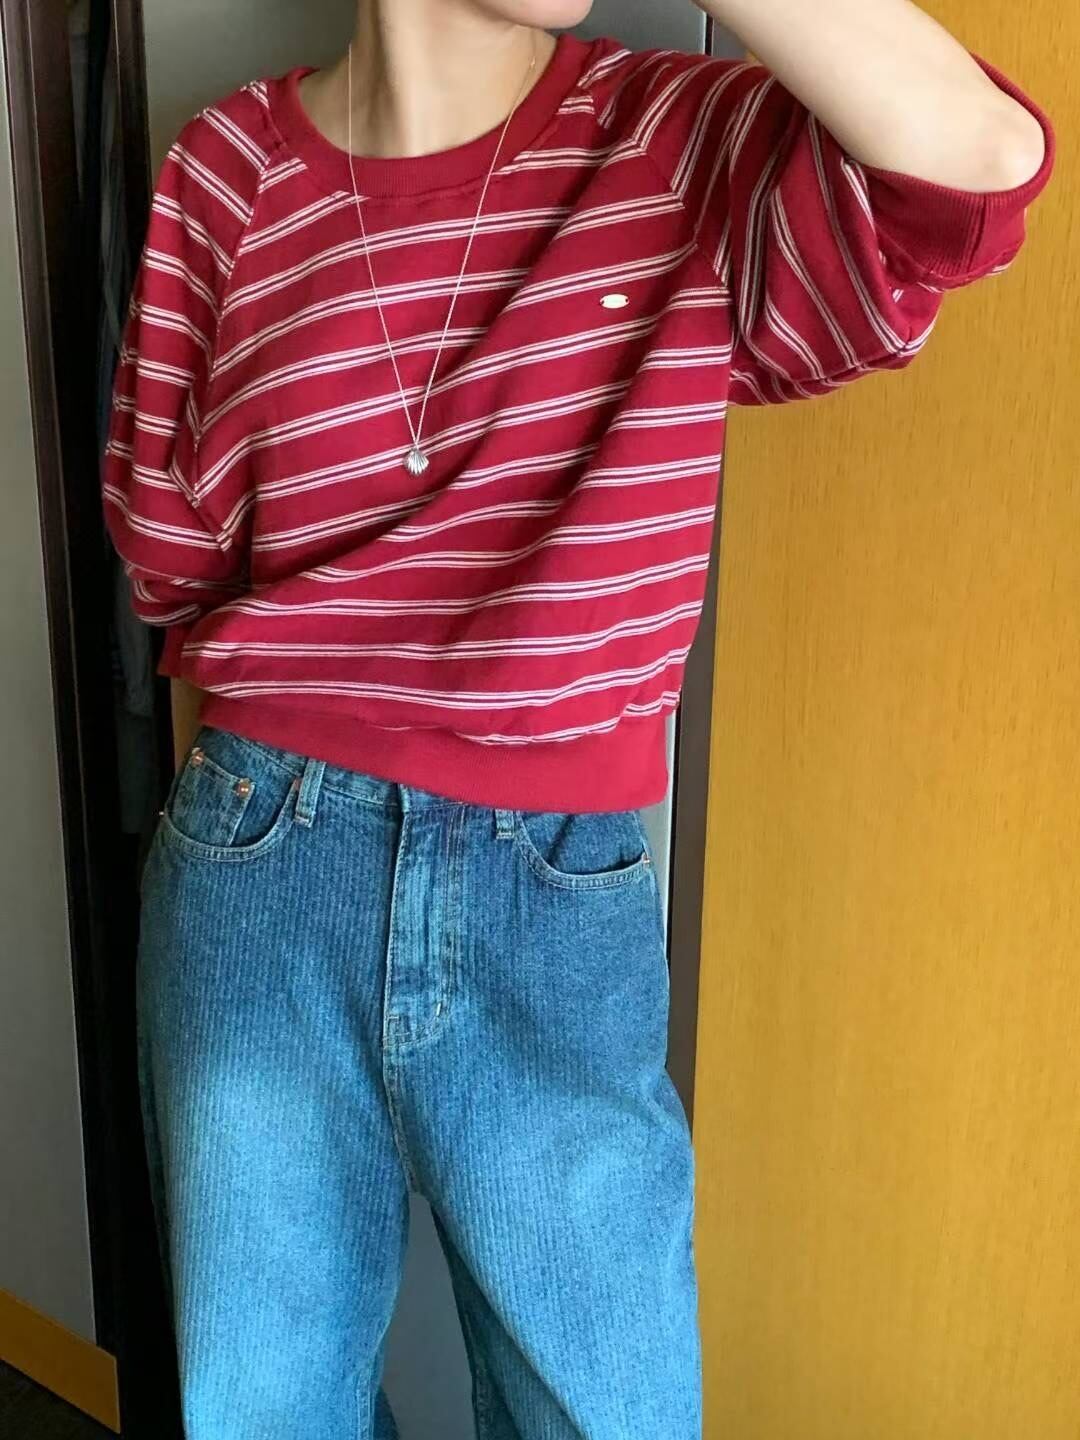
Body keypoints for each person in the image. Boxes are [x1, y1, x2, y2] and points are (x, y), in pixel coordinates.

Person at [101, 0, 1053, 1436]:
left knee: (604, 1408)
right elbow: (169, 555)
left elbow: (975, 168)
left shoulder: (676, 138)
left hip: (554, 885)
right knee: (261, 1406)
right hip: (256, 850)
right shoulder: (224, 168)